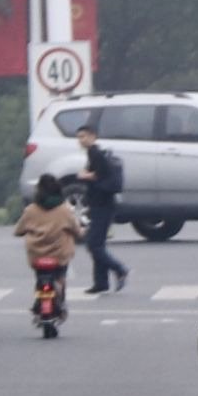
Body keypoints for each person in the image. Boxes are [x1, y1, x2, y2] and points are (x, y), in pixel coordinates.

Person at [74, 123, 127, 295]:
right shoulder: (94, 153)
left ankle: (119, 269)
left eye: (83, 136)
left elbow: (100, 175)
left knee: (94, 245)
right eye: (79, 137)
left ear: (93, 136)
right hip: (100, 204)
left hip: (103, 205)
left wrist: (84, 176)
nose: (81, 140)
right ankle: (101, 282)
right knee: (97, 244)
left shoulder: (95, 153)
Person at [15, 174, 83, 291]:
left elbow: (18, 231)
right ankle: (61, 295)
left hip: (37, 255)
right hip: (59, 255)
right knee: (61, 276)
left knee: (39, 276)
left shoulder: (30, 210)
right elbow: (77, 231)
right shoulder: (64, 210)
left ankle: (39, 294)